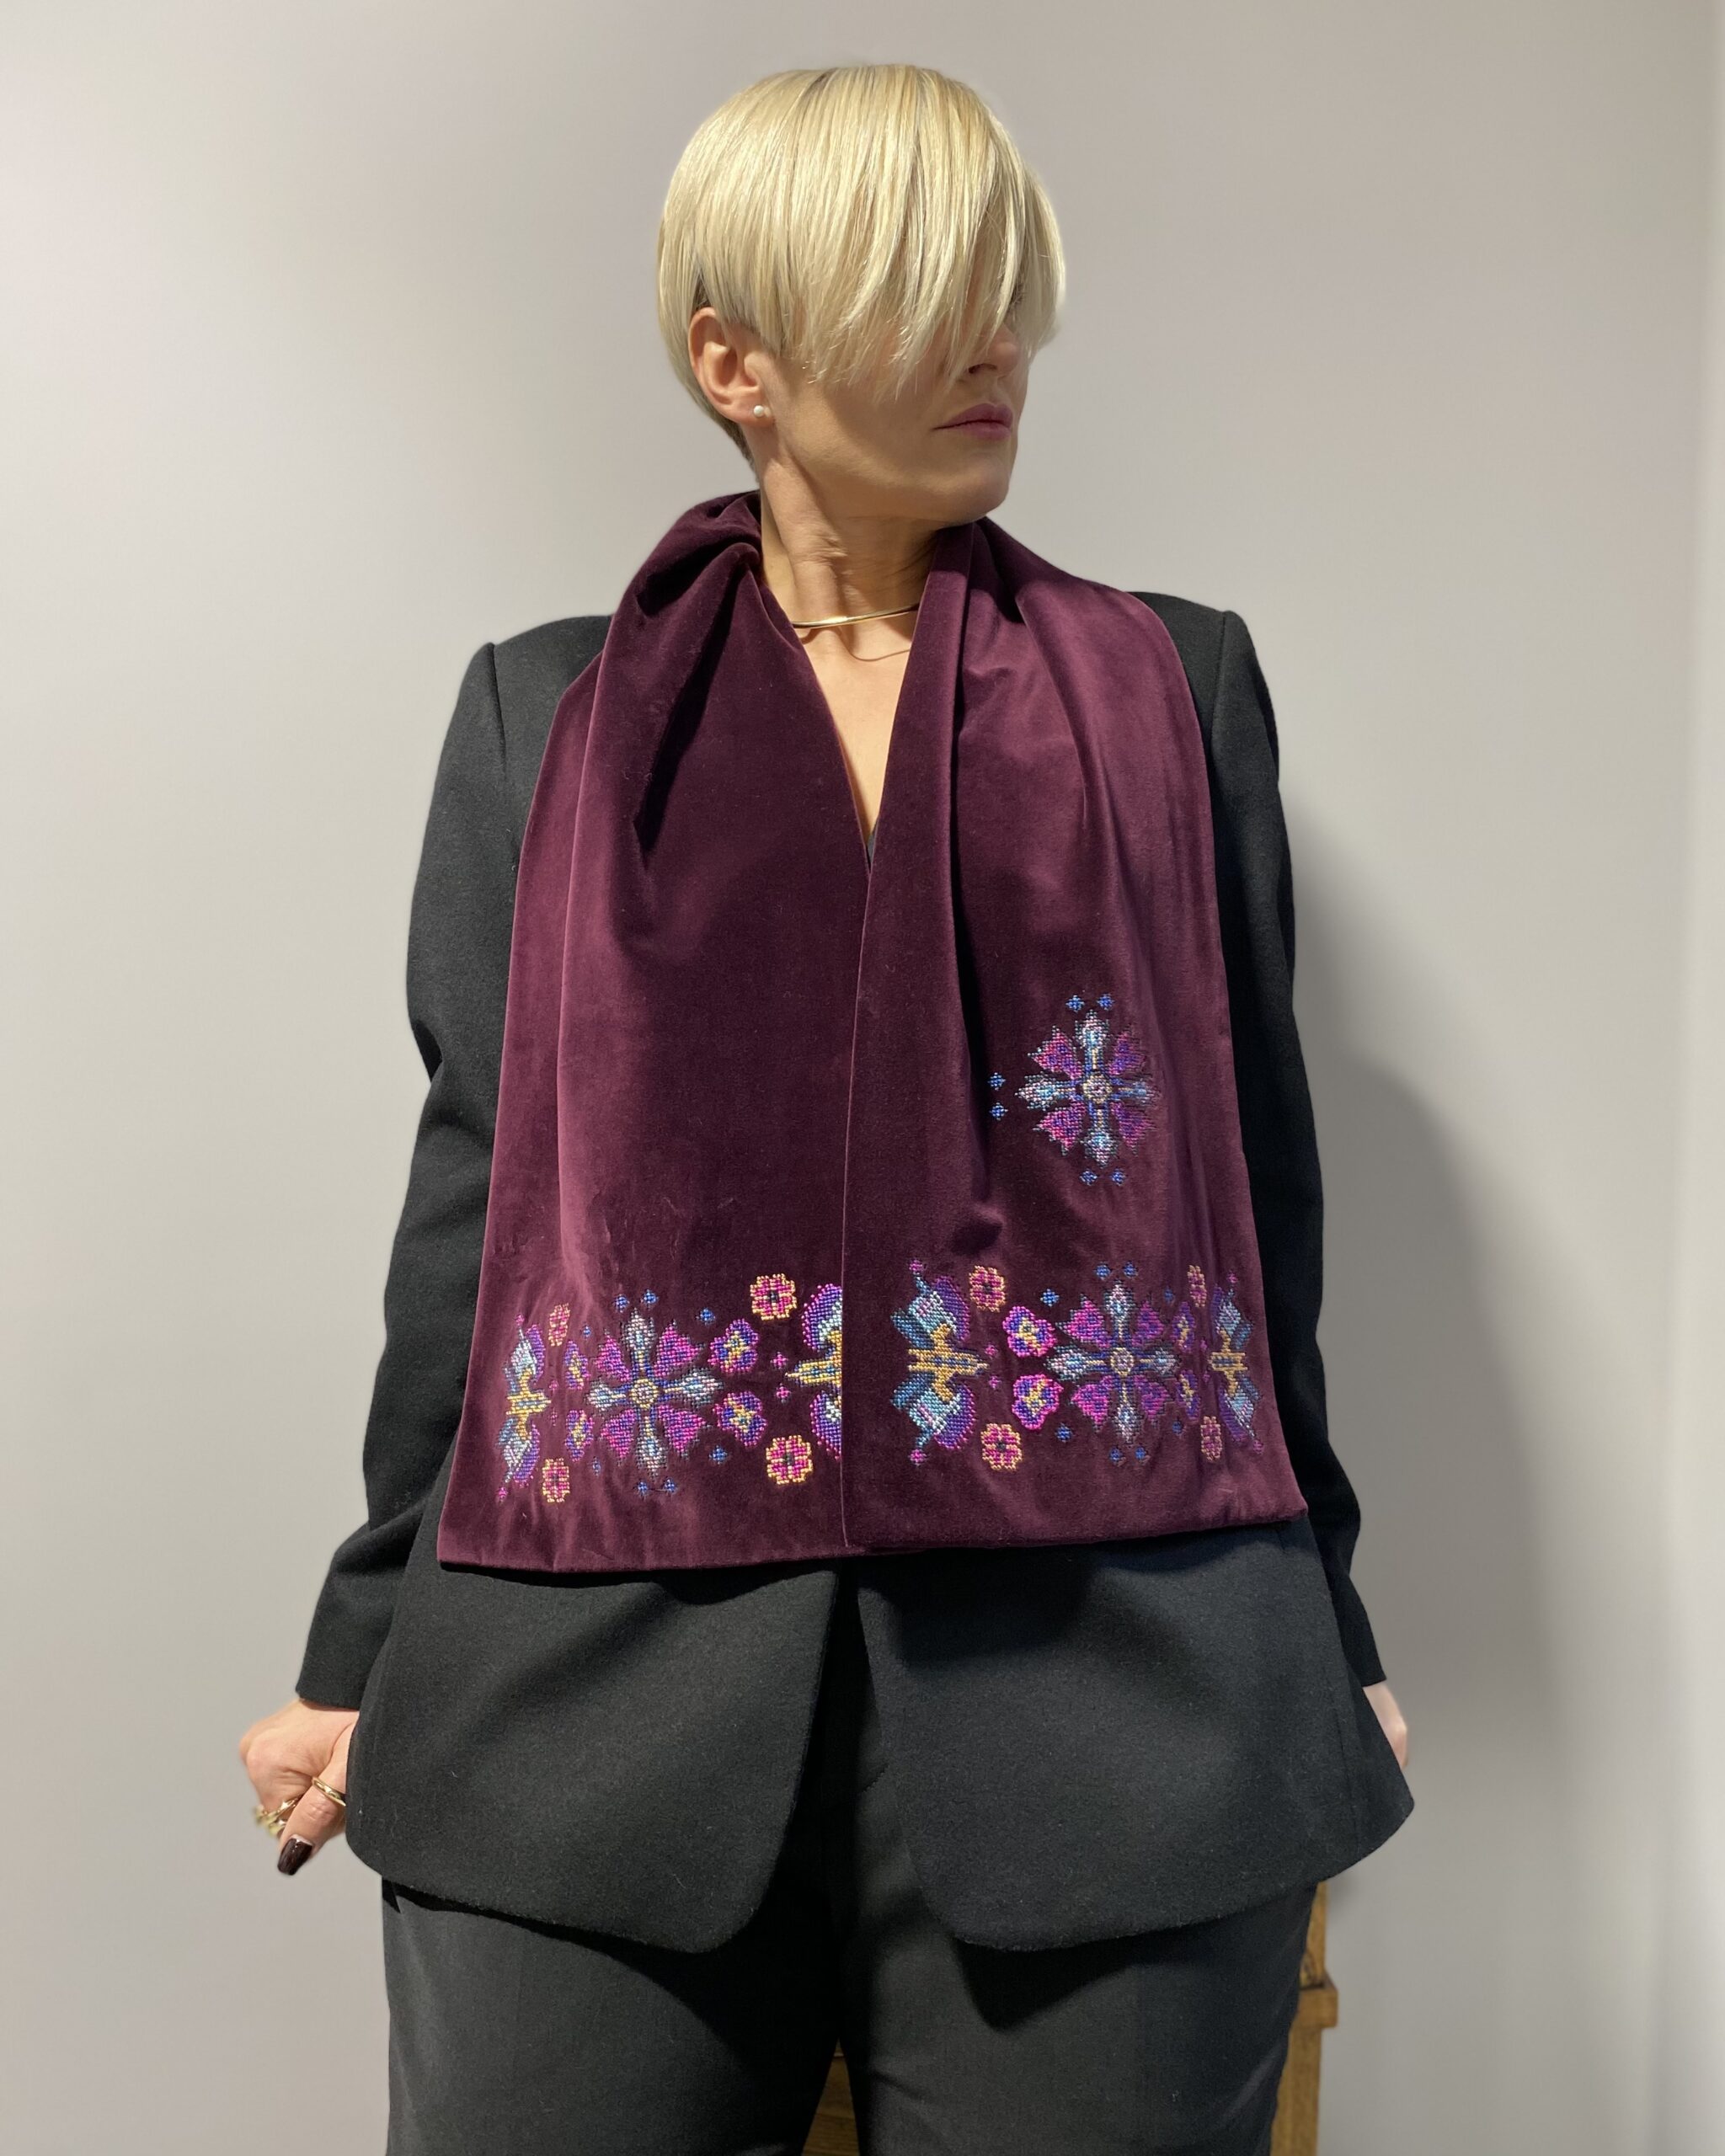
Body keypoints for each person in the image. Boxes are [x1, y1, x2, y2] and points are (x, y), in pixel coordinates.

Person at [238, 61, 1413, 2156]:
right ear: (736, 361)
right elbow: (484, 1211)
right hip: (589, 1697)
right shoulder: (545, 711)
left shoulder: (1177, 687)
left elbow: (1249, 1199)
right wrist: (367, 1640)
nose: (995, 344)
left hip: (1126, 1690)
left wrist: (1321, 1607)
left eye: (1008, 287)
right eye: (925, 292)